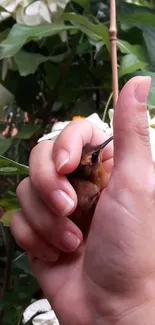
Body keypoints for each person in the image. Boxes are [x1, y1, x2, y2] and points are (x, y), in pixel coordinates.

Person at [10, 76, 155, 325]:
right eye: (97, 157)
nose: (101, 153)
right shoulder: (94, 187)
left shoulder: (106, 183)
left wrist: (128, 306)